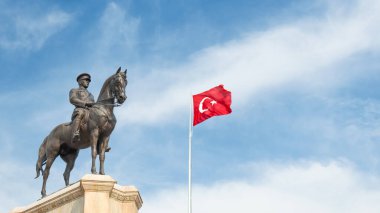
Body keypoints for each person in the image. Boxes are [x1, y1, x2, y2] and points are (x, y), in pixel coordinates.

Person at [69, 73, 95, 144]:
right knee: (80, 113)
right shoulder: (74, 90)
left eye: (88, 81)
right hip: (80, 109)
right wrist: (85, 103)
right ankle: (75, 133)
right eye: (86, 80)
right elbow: (72, 99)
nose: (88, 82)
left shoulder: (91, 95)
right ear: (80, 81)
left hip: (90, 111)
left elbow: (93, 104)